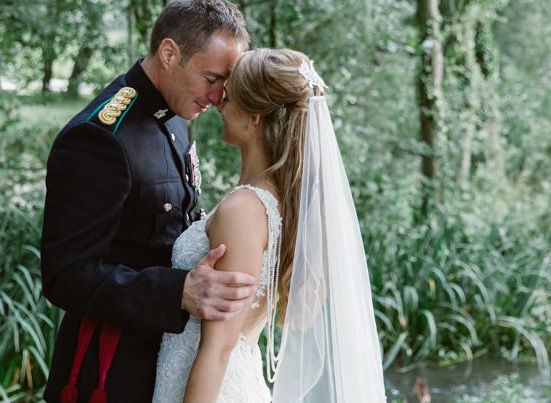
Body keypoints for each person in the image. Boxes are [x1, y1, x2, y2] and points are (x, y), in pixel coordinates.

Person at [41, 0, 256, 403]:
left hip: (168, 359)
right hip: (108, 371)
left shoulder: (176, 111)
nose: (218, 97)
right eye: (212, 79)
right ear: (170, 53)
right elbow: (64, 274)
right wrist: (176, 293)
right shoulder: (100, 137)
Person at [152, 49, 386, 402]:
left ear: (255, 118)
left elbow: (217, 349)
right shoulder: (283, 203)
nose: (218, 103)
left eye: (228, 97)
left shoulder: (244, 209)